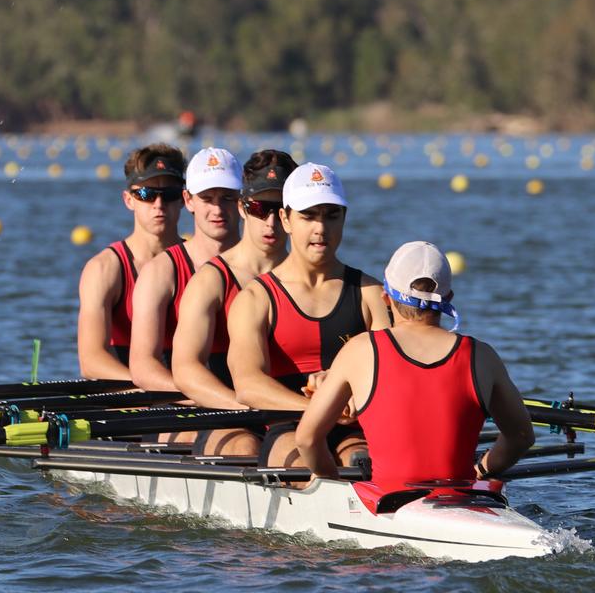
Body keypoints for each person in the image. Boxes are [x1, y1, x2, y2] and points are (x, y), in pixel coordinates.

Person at [294, 241, 535, 489]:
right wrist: (481, 471)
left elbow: (307, 439)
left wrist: (330, 480)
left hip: (388, 505)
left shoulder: (360, 350)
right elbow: (521, 437)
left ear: (386, 298)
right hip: (463, 499)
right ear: (448, 298)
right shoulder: (481, 356)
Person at [227, 162, 391, 467]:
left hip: (353, 427)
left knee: (362, 460)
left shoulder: (370, 293)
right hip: (285, 427)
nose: (321, 228)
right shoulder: (255, 299)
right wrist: (317, 407)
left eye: (331, 216)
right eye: (308, 216)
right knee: (302, 461)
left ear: (344, 219)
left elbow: (391, 374)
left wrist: (349, 395)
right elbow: (248, 385)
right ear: (286, 220)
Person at [172, 150, 297, 456]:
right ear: (243, 208)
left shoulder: (316, 280)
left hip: (297, 414)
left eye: (280, 208)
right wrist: (245, 405)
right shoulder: (211, 280)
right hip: (230, 415)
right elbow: (186, 370)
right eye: (258, 207)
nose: (270, 220)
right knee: (245, 445)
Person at [129, 147, 243, 392]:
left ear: (242, 200)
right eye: (207, 198)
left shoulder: (269, 268)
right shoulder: (160, 272)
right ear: (188, 200)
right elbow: (143, 367)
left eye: (227, 197)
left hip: (255, 400)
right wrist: (211, 396)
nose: (217, 209)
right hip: (189, 406)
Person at [76, 144, 186, 380]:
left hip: (190, 393)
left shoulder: (202, 264)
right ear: (128, 200)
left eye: (169, 194)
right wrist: (155, 385)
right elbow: (91, 361)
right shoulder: (105, 268)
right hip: (132, 397)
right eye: (146, 194)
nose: (158, 204)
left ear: (184, 199)